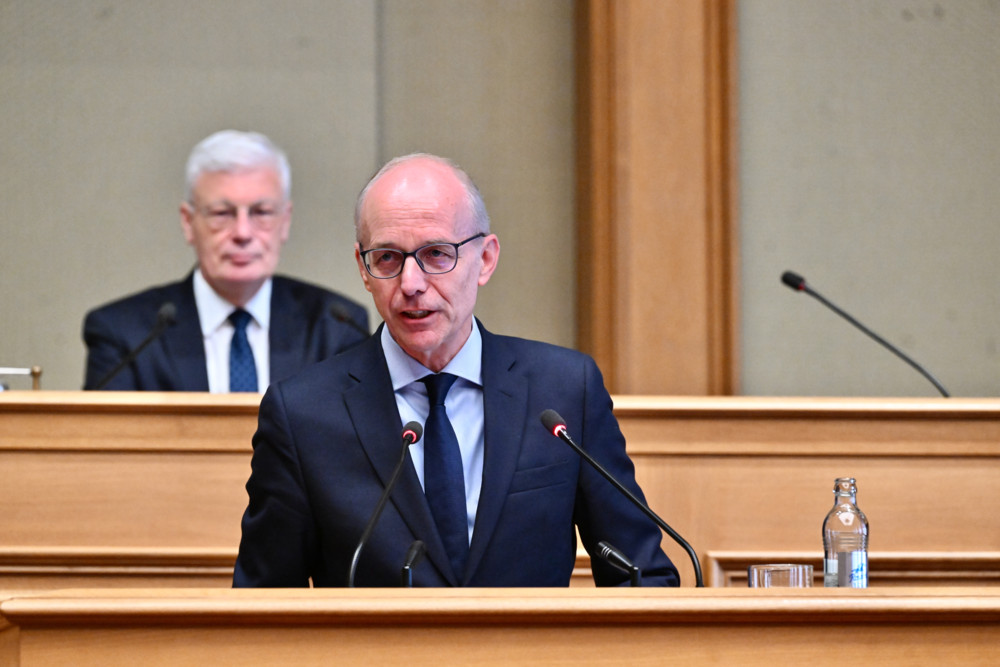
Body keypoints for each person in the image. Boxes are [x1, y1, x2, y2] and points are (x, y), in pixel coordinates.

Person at [233, 153, 679, 587]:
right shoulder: (304, 414)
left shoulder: (563, 392)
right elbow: (262, 609)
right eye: (387, 257)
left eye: (436, 254)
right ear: (363, 270)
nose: (411, 283)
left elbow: (641, 577)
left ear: (485, 259)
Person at [82, 130, 369, 392]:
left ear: (285, 221)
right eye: (222, 213)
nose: (243, 233)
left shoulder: (334, 326)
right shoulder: (125, 334)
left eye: (261, 212)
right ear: (188, 222)